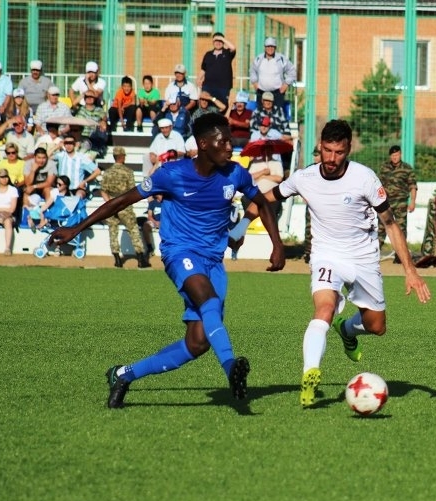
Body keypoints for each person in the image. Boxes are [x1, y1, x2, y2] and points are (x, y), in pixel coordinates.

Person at [47, 113, 285, 408]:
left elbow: (262, 203)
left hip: (214, 260)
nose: (229, 147)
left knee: (197, 343)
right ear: (203, 144)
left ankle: (123, 374)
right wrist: (75, 228)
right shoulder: (170, 174)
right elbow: (121, 201)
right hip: (180, 253)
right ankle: (231, 368)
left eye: (230, 141)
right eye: (223, 141)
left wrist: (277, 244)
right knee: (207, 299)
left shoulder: (236, 174)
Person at [266, 119, 430, 407]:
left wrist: (410, 271)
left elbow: (390, 224)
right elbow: (265, 198)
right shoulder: (304, 177)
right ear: (320, 147)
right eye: (327, 151)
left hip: (363, 258)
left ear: (348, 149)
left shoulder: (364, 178)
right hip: (326, 255)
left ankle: (348, 329)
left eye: (339, 152)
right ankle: (309, 374)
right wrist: (239, 223)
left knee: (377, 326)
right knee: (324, 309)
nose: (331, 158)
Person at [101, 146, 150, 269]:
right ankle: (140, 259)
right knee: (133, 230)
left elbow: (103, 191)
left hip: (111, 203)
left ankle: (117, 260)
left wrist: (110, 203)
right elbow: (132, 190)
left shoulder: (107, 172)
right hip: (124, 203)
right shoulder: (128, 172)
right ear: (122, 157)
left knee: (113, 232)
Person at [378, 145, 417, 263]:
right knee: (381, 227)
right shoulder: (384, 168)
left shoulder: (407, 168)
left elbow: (413, 186)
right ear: (390, 156)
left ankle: (400, 256)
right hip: (386, 203)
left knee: (401, 229)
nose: (395, 157)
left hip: (400, 203)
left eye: (397, 155)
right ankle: (374, 254)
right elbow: (378, 185)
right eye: (393, 155)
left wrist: (413, 201)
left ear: (400, 155)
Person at [249, 37, 297, 109]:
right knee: (261, 114)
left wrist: (286, 84)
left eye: (272, 46)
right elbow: (252, 70)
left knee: (277, 113)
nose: (270, 48)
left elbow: (292, 71)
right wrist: (254, 82)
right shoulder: (259, 59)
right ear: (265, 47)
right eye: (268, 46)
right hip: (261, 92)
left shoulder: (281, 59)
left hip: (277, 93)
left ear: (275, 47)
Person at [51, 134, 101, 199]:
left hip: (77, 188)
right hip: (62, 187)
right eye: (66, 143)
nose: (68, 145)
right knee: (52, 195)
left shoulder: (81, 158)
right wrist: (57, 146)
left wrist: (85, 181)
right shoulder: (60, 155)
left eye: (71, 143)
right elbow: (45, 157)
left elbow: (97, 171)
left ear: (75, 144)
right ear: (64, 144)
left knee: (78, 196)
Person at [198, 32, 236, 111]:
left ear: (223, 42)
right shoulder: (208, 54)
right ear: (213, 42)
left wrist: (221, 38)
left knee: (222, 108)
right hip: (208, 87)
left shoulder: (227, 53)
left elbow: (233, 48)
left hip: (223, 87)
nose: (218, 43)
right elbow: (203, 69)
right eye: (216, 41)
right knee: (206, 109)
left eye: (220, 41)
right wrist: (198, 79)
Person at [302, 145, 322, 263]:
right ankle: (308, 253)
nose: (315, 158)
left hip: (326, 205)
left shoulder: (332, 170)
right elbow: (301, 184)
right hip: (312, 204)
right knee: (309, 229)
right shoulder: (309, 170)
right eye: (315, 155)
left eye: (317, 155)